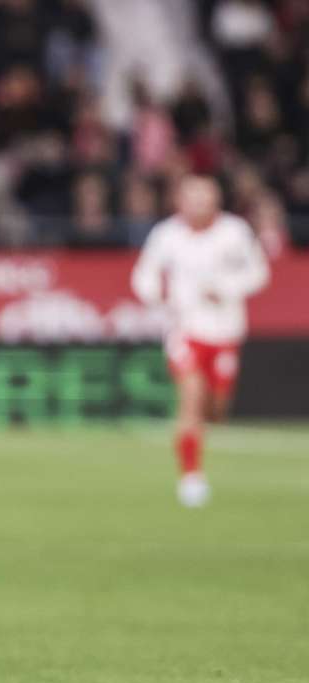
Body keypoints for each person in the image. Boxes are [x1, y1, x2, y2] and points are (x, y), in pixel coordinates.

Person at [131, 175, 269, 507]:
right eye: (191, 197)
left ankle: (204, 432)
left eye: (204, 197)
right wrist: (155, 294)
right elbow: (144, 275)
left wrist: (225, 289)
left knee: (217, 408)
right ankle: (191, 477)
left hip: (225, 331)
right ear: (179, 201)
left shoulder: (234, 232)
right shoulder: (166, 235)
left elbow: (258, 273)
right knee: (191, 398)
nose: (198, 204)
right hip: (186, 328)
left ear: (216, 200)